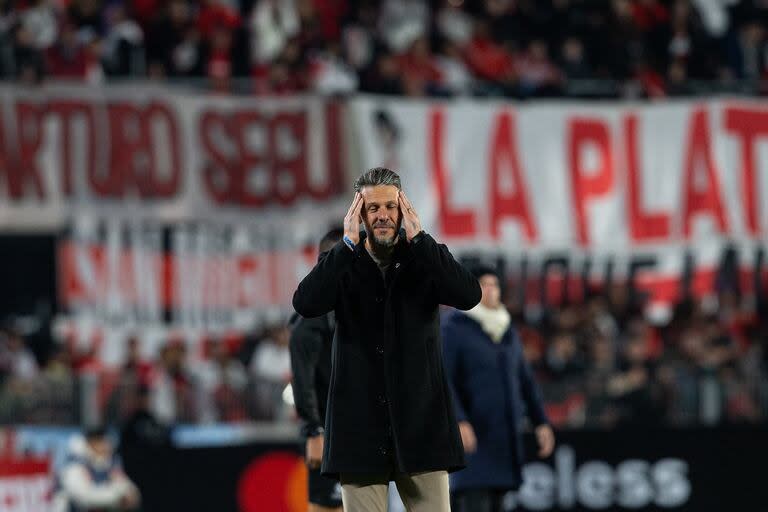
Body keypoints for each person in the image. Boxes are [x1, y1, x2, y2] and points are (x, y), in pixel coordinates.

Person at [293, 167, 481, 512]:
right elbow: (305, 304)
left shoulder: (425, 257)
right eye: (373, 208)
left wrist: (422, 239)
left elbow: (469, 295)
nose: (382, 216)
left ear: (403, 209)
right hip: (358, 428)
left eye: (390, 207)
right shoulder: (341, 262)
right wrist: (346, 244)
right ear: (359, 213)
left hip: (422, 426)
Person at [442, 266, 555, 512]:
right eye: (484, 284)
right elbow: (444, 380)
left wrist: (541, 422)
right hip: (473, 437)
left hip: (502, 438)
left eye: (495, 285)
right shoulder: (453, 327)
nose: (491, 290)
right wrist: (458, 421)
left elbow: (525, 381)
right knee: (474, 499)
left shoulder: (506, 329)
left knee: (498, 501)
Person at [289, 227, 345, 512]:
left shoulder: (354, 309)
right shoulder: (310, 317)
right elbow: (303, 379)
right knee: (328, 506)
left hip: (357, 428)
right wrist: (314, 431)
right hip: (329, 431)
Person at [53, 425, 141, 512]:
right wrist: (118, 497)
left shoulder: (109, 463)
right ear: (91, 442)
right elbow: (84, 497)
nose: (107, 445)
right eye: (102, 441)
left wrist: (128, 495)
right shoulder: (74, 464)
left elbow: (129, 489)